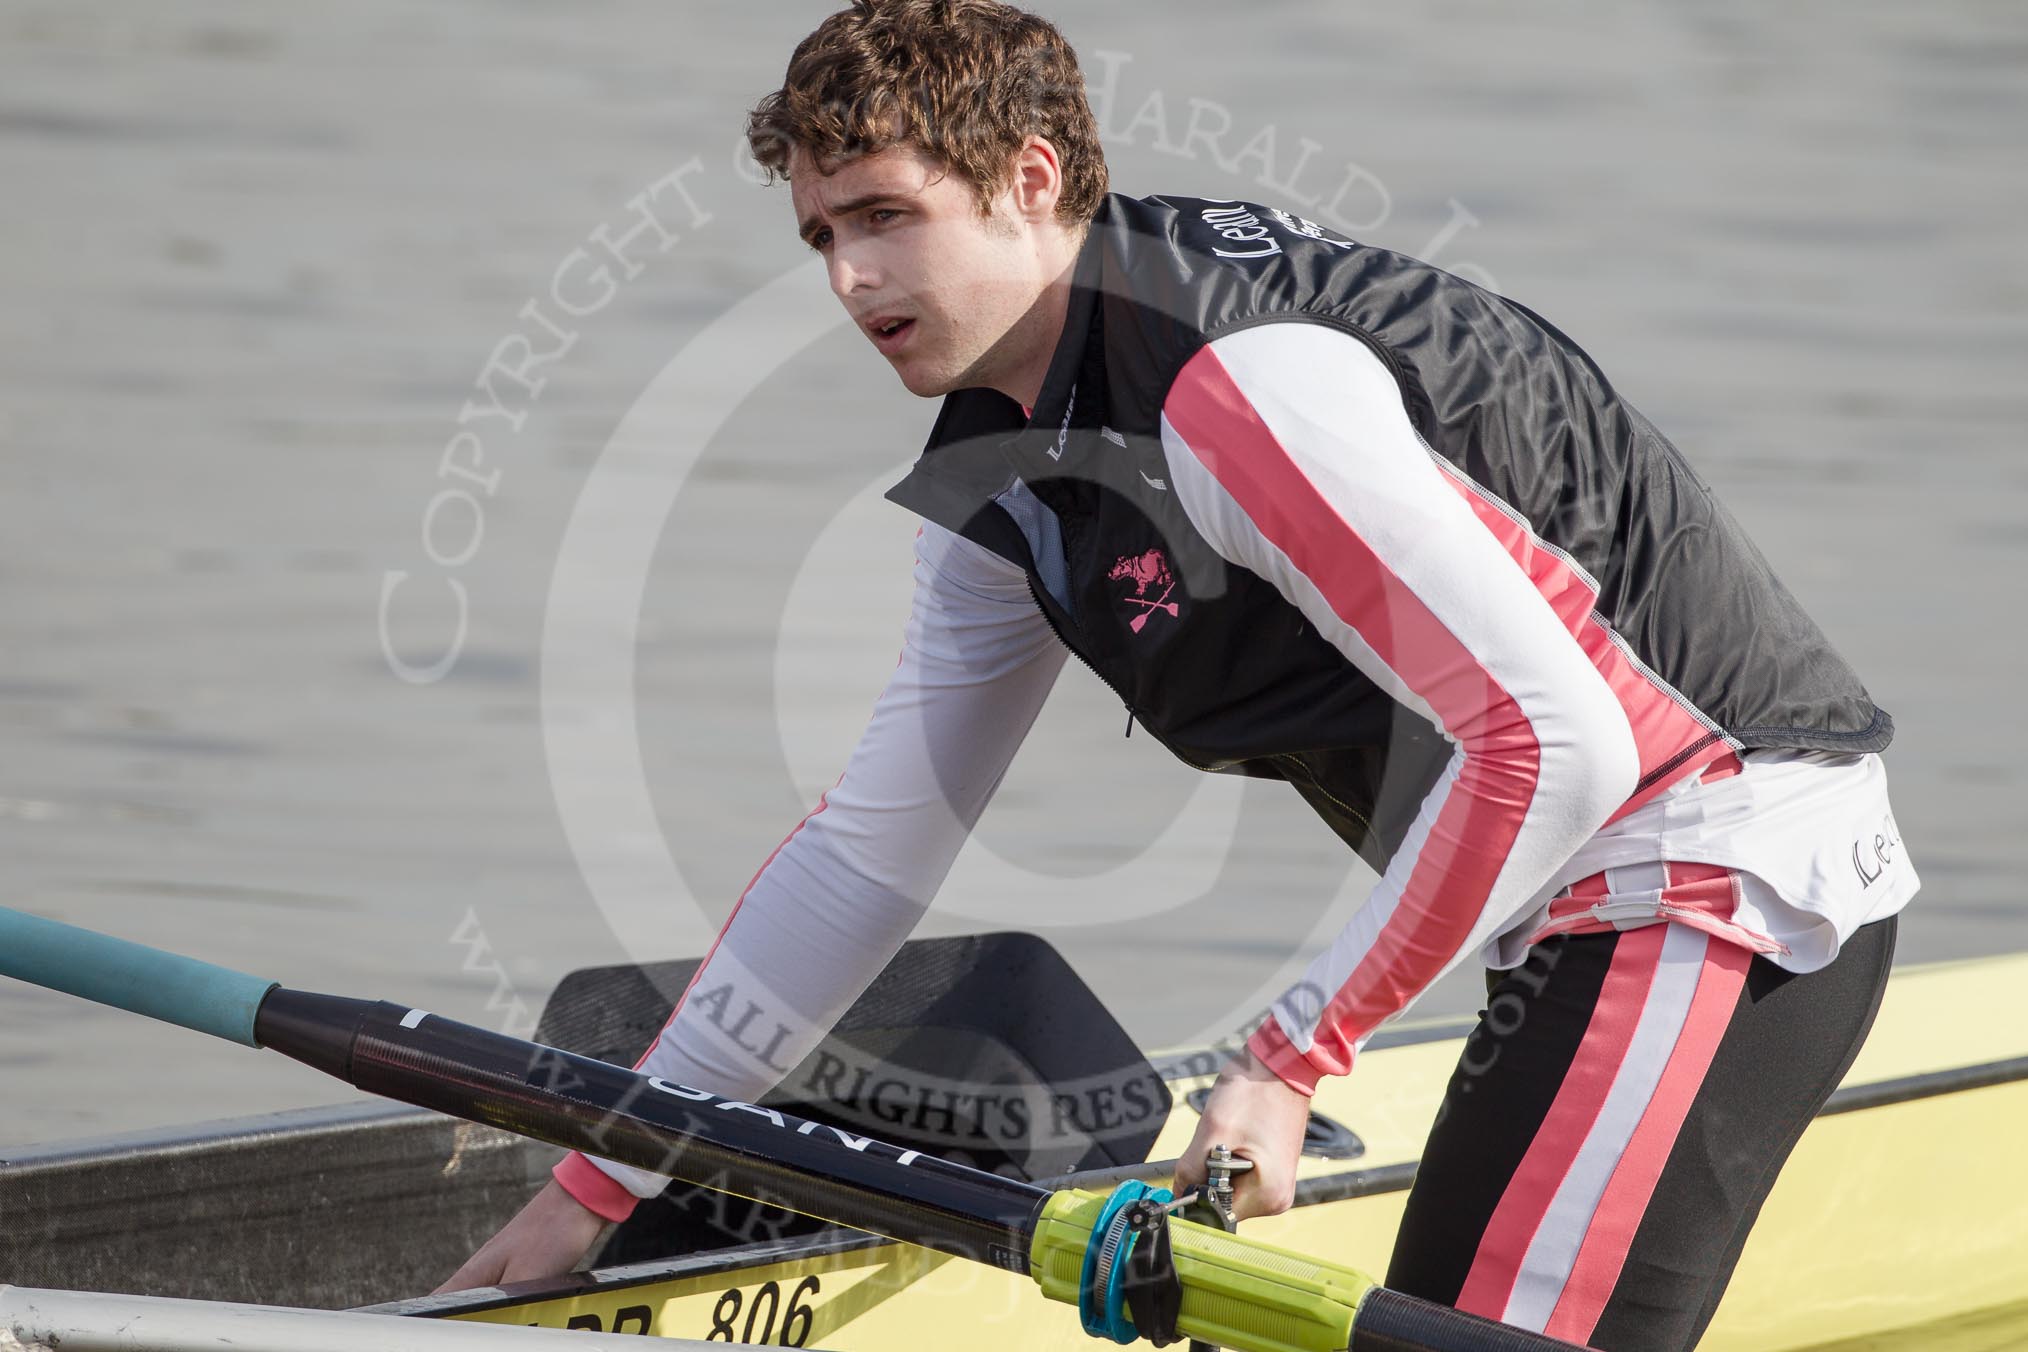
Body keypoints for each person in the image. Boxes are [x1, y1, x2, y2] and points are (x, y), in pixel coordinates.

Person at [438, 3, 1918, 1346]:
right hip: (1573, 929)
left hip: (1717, 878)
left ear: (1030, 178)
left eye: (886, 216)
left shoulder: (1236, 386)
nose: (848, 275)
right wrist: (601, 1176)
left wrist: (1286, 1061)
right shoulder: (998, 481)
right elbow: (867, 855)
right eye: (821, 234)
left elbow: (1556, 744)